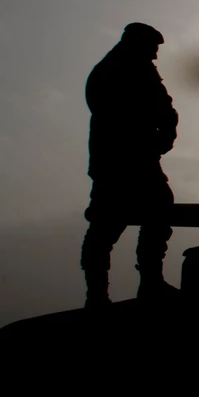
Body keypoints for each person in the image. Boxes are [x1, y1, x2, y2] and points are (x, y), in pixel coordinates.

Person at [80, 22, 179, 308]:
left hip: (123, 162)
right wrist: (159, 134)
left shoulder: (118, 69)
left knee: (148, 216)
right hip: (124, 163)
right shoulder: (123, 70)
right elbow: (157, 107)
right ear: (138, 44)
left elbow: (162, 107)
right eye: (153, 48)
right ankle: (111, 292)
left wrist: (164, 133)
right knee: (109, 227)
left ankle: (141, 284)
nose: (156, 55)